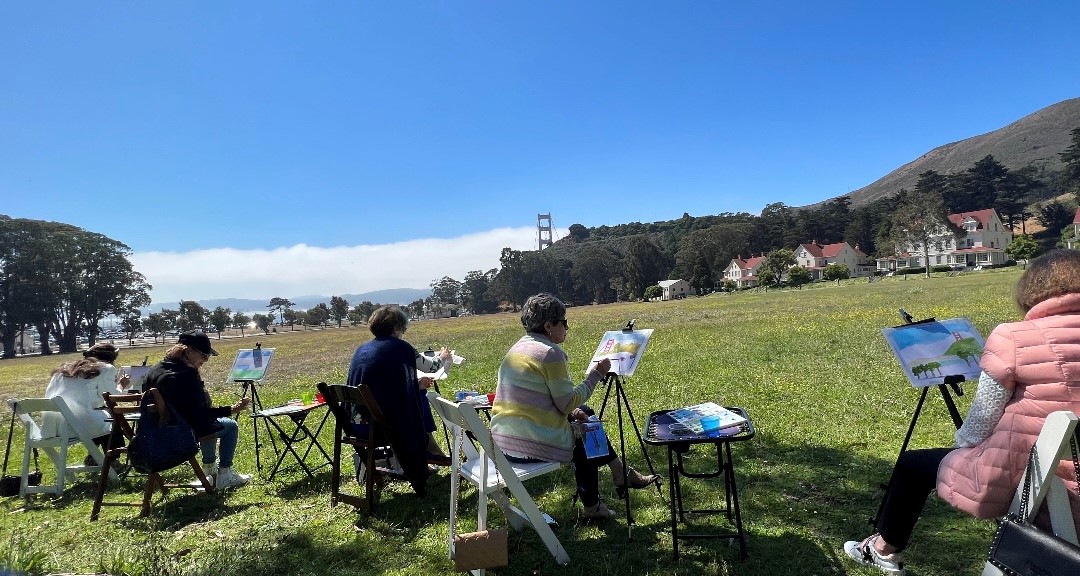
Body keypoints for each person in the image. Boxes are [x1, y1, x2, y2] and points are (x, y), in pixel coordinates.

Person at [844, 249, 1080, 575]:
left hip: (1038, 478)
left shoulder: (1014, 336)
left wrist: (963, 444)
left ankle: (882, 550)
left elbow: (981, 420)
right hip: (1067, 471)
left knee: (914, 465)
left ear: (1033, 290)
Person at [489, 293, 658, 519]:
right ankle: (595, 503)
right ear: (549, 326)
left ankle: (618, 473)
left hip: (504, 443)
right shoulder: (549, 353)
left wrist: (573, 411)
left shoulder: (518, 348)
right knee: (585, 434)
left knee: (584, 415)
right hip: (527, 447)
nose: (567, 327)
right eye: (564, 322)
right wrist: (596, 375)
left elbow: (542, 401)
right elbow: (566, 402)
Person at [347, 306, 453, 497]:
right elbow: (432, 366)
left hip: (355, 426)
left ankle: (429, 448)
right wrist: (443, 356)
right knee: (419, 398)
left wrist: (414, 384)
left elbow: (383, 386)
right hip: (379, 427)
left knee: (417, 393)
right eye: (402, 329)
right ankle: (428, 449)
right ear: (396, 328)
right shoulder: (400, 347)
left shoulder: (361, 350)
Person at [141, 330, 252, 489]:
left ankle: (209, 472)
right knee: (229, 426)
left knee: (210, 424)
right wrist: (230, 410)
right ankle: (225, 474)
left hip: (155, 434)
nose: (206, 360)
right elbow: (199, 414)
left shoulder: (154, 369)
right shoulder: (187, 374)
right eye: (203, 355)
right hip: (179, 435)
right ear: (188, 351)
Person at [43, 343, 130, 469]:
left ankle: (95, 457)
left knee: (102, 416)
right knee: (112, 417)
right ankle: (112, 460)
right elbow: (111, 396)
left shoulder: (63, 369)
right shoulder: (106, 368)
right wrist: (121, 384)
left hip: (52, 427)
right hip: (77, 425)